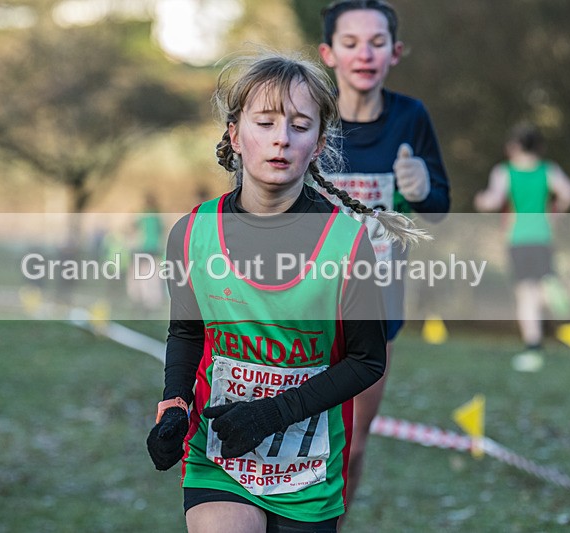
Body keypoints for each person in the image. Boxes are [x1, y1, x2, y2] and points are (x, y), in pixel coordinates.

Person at [145, 53, 426, 532]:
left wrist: (273, 414)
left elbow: (366, 361)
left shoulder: (347, 242)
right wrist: (174, 405)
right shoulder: (192, 233)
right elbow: (187, 332)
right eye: (266, 122)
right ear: (235, 135)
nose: (281, 138)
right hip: (220, 454)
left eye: (299, 125)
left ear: (317, 144)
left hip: (309, 470)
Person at [317, 0, 451, 507]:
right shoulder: (309, 113)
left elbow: (438, 207)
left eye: (377, 43)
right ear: (329, 53)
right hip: (306, 302)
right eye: (351, 43)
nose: (364, 54)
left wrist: (420, 189)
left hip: (378, 306)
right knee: (292, 445)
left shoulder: (411, 117)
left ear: (395, 52)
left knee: (349, 449)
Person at [474, 121, 570, 371]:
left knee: (525, 293)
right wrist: (556, 213)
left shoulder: (504, 172)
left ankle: (533, 350)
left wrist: (480, 201)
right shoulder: (548, 170)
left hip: (518, 237)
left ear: (513, 147)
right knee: (538, 284)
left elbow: (494, 199)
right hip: (543, 235)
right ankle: (549, 288)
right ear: (539, 147)